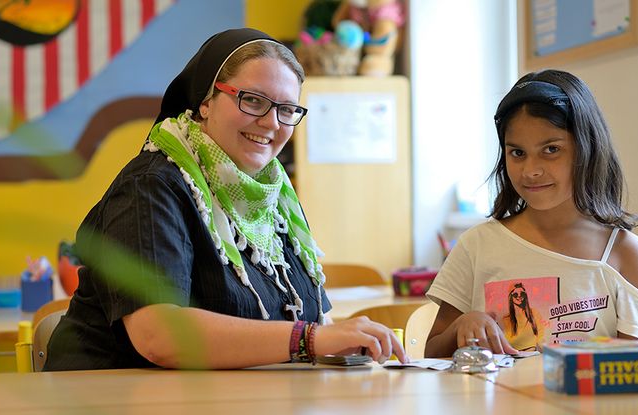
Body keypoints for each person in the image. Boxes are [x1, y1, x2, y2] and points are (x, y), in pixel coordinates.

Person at [44, 28, 407, 370]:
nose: (271, 123)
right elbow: (158, 334)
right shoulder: (152, 185)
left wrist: (347, 343)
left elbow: (316, 320)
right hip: (111, 398)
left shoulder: (275, 200)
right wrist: (309, 339)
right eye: (252, 100)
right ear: (205, 101)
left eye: (286, 109)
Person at [425, 69, 638, 357]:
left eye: (551, 149)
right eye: (517, 153)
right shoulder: (476, 246)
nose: (531, 170)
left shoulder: (625, 254)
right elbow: (431, 353)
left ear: (586, 150)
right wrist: (460, 328)